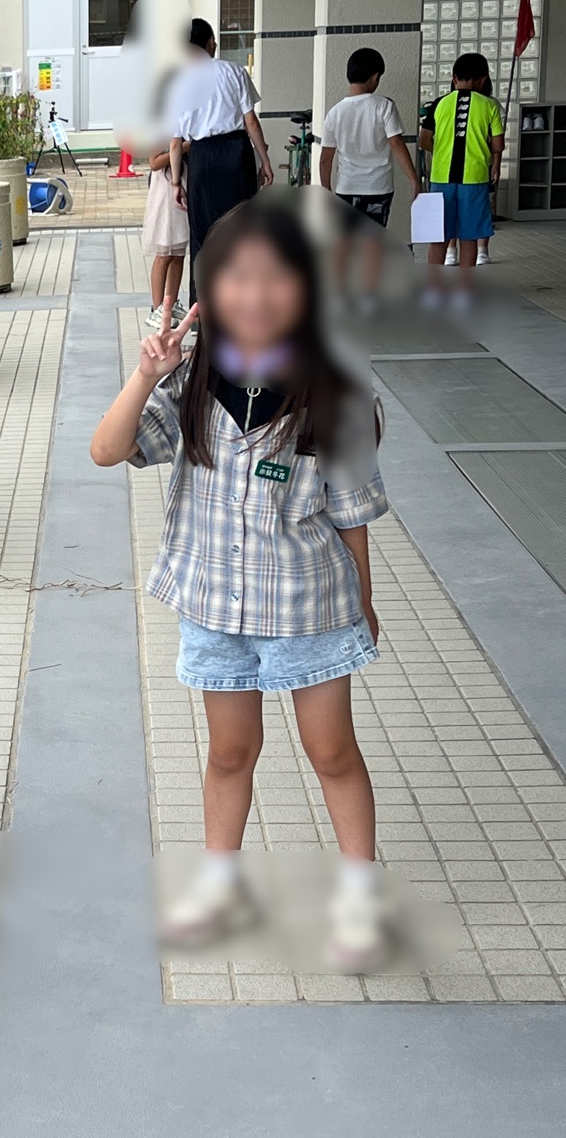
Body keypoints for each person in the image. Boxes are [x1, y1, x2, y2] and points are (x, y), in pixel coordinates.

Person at [90, 201, 393, 972]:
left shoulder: (334, 389)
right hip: (214, 606)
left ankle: (360, 898)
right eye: (236, 278)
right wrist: (146, 373)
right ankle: (220, 886)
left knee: (331, 751)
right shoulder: (190, 378)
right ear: (211, 289)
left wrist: (363, 601)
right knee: (230, 751)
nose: (255, 296)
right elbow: (106, 450)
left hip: (309, 606)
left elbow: (352, 514)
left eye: (276, 279)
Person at [168, 18, 274, 289]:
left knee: (203, 235)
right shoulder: (234, 72)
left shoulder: (178, 83)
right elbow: (251, 122)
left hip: (201, 158)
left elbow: (175, 142)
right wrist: (265, 161)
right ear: (210, 43)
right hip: (236, 154)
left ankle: (204, 303)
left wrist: (176, 183)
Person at [319, 47, 420, 303]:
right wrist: (413, 179)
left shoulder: (335, 112)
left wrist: (325, 190)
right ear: (374, 77)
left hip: (346, 187)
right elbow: (397, 145)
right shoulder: (384, 106)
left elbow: (326, 157)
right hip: (378, 188)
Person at [419, 52, 504, 300]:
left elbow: (424, 140)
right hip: (474, 179)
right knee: (469, 236)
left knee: (438, 237)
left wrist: (442, 152)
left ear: (454, 78)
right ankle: (464, 292)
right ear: (483, 79)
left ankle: (433, 290)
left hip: (441, 178)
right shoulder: (489, 105)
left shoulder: (439, 104)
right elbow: (497, 144)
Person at [141, 145, 190, 322]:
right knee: (164, 252)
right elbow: (154, 163)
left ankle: (172, 303)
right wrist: (185, 147)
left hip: (184, 181)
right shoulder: (160, 134)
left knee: (178, 253)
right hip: (165, 189)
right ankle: (156, 308)